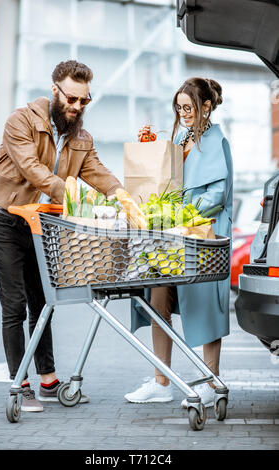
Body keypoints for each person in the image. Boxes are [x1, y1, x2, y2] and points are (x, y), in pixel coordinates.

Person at [0, 60, 123, 412]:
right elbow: (32, 170)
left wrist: (122, 195)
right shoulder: (21, 121)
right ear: (55, 90)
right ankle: (21, 387)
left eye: (84, 101)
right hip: (8, 221)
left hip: (43, 225)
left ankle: (48, 381)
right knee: (14, 306)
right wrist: (75, 197)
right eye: (72, 99)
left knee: (43, 303)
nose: (76, 107)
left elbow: (98, 172)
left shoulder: (81, 137)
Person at [125, 77, 233, 407]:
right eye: (178, 107)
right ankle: (161, 381)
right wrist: (149, 144)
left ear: (206, 106)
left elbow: (217, 195)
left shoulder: (217, 140)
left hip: (202, 235)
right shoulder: (180, 137)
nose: (182, 113)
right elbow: (164, 180)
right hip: (171, 238)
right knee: (158, 298)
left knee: (204, 306)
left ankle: (210, 383)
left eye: (188, 107)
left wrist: (181, 212)